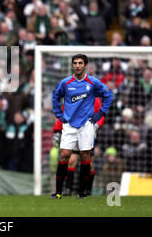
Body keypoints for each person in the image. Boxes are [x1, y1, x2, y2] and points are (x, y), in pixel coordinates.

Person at [51, 54, 113, 199]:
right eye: (75, 63)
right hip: (69, 125)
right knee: (65, 155)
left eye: (80, 63)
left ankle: (82, 192)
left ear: (85, 65)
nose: (77, 65)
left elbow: (108, 95)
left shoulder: (93, 83)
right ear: (72, 65)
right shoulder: (65, 83)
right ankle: (59, 192)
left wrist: (101, 113)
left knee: (86, 157)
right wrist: (58, 114)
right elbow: (55, 96)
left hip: (87, 125)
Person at [52, 97, 106, 196]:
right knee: (71, 160)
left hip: (87, 134)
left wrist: (97, 125)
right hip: (73, 133)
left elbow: (101, 114)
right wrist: (57, 131)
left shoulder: (95, 99)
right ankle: (68, 189)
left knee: (88, 164)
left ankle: (87, 189)